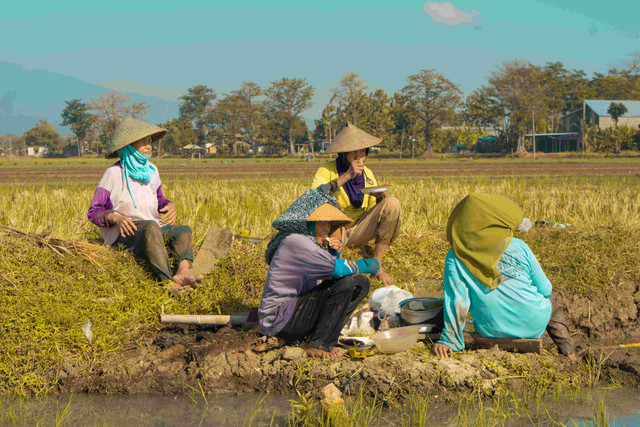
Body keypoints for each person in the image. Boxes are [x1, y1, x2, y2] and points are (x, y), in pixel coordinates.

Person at [432, 193, 576, 361]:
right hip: (533, 326)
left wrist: (449, 341)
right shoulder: (519, 246)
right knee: (551, 299)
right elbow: (546, 289)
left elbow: (457, 301)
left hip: (492, 331)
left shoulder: (456, 255)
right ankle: (569, 353)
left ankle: (567, 353)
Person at [259, 189, 380, 359]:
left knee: (360, 283)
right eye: (322, 223)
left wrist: (334, 254)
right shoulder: (296, 242)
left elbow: (329, 279)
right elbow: (338, 271)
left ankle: (324, 338)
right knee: (346, 283)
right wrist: (368, 264)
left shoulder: (310, 245)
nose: (328, 229)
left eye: (329, 224)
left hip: (297, 314)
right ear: (309, 222)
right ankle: (318, 344)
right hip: (279, 319)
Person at [87, 117, 203, 293]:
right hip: (126, 232)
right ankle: (166, 281)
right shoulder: (113, 173)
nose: (149, 145)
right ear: (128, 145)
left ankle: (183, 271)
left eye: (149, 141)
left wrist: (169, 205)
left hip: (153, 226)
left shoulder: (151, 170)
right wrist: (115, 218)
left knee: (183, 230)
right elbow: (95, 211)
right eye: (142, 142)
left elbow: (159, 199)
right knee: (150, 228)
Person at [311, 124, 401, 287]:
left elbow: (376, 214)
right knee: (332, 207)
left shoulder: (367, 173)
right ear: (344, 153)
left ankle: (377, 265)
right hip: (335, 230)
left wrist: (379, 198)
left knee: (392, 204)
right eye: (354, 151)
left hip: (359, 228)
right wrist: (347, 175)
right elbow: (315, 196)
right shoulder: (326, 170)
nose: (359, 155)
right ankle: (335, 271)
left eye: (363, 151)